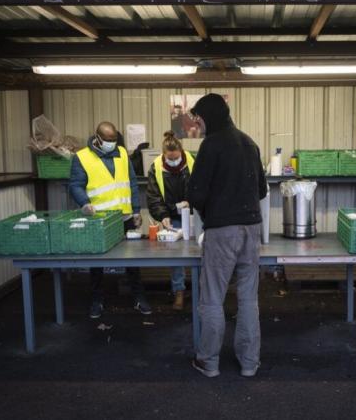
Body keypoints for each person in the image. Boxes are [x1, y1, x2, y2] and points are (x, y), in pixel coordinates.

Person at [186, 93, 268, 378]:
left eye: (198, 118)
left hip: (222, 231)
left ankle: (208, 362)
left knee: (212, 299)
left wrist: (210, 208)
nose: (198, 124)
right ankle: (249, 363)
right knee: (248, 299)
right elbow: (261, 191)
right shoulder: (249, 142)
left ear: (208, 116)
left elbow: (195, 192)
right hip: (251, 230)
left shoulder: (211, 145)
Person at [69, 122, 152, 319]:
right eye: (107, 141)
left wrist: (136, 210)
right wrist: (84, 203)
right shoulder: (82, 157)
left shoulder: (122, 153)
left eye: (114, 140)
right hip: (99, 219)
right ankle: (97, 300)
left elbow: (131, 182)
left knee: (133, 261)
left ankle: (138, 297)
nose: (111, 144)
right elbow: (76, 185)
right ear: (97, 138)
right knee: (96, 263)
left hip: (124, 217)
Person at [145, 131, 195, 311]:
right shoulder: (156, 167)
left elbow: (204, 186)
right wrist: (163, 215)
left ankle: (202, 292)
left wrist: (192, 202)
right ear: (164, 154)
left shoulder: (192, 162)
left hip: (193, 214)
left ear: (181, 152)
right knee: (177, 258)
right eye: (170, 158)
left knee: (201, 252)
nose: (173, 161)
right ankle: (179, 292)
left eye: (176, 157)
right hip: (171, 217)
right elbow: (153, 197)